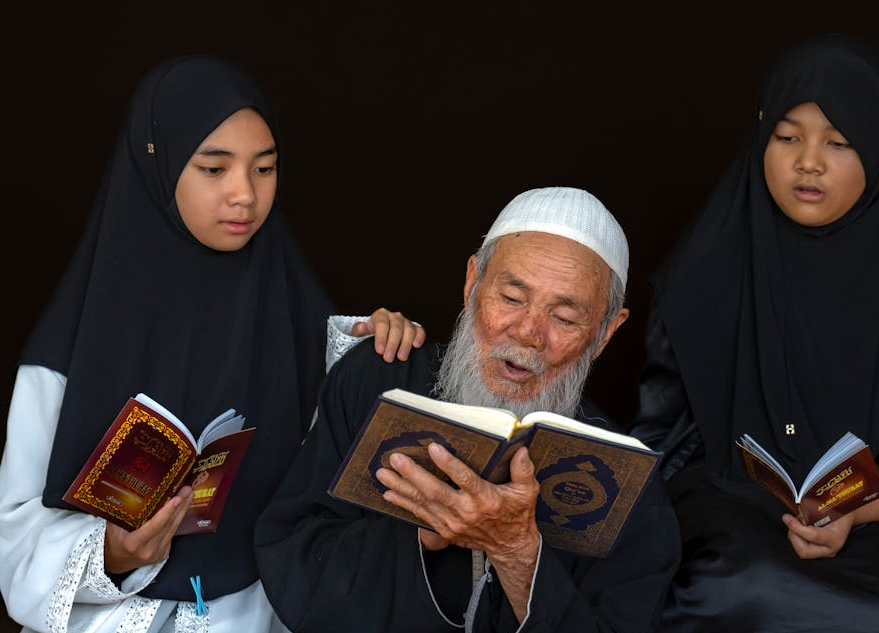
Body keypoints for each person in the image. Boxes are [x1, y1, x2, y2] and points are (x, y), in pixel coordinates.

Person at [0, 55, 426, 633]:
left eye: (264, 168)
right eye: (214, 169)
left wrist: (376, 354)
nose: (245, 194)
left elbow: (347, 485)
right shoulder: (72, 344)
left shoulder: (302, 319)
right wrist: (113, 552)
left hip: (260, 612)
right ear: (159, 165)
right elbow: (16, 533)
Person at [631, 35, 879, 632]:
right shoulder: (706, 268)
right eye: (787, 136)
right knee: (725, 588)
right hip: (724, 500)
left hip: (865, 513)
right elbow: (659, 434)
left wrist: (860, 509)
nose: (809, 162)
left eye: (839, 142)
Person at [255, 186, 682, 633]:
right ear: (472, 281)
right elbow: (294, 551)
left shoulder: (623, 481)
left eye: (565, 318)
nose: (528, 333)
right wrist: (425, 531)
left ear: (606, 334)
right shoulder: (378, 382)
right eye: (511, 299)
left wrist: (517, 552)